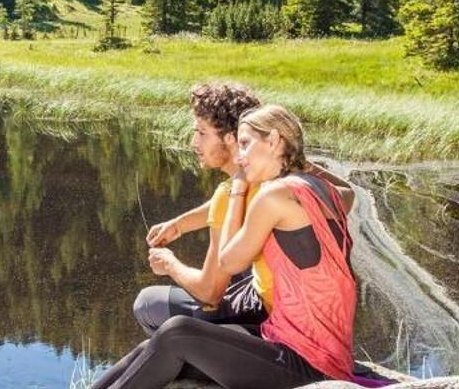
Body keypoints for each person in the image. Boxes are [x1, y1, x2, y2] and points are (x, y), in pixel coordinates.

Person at [12, 104, 360, 389]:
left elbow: (229, 259)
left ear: (274, 141)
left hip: (309, 368)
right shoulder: (325, 191)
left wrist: (237, 188)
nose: (239, 157)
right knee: (158, 347)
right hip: (297, 347)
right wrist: (295, 157)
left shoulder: (273, 195)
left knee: (179, 332)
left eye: (245, 144)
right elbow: (350, 190)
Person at [132, 82, 352, 335]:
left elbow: (210, 292)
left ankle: (203, 362)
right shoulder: (280, 180)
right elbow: (347, 195)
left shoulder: (232, 194)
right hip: (303, 313)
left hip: (274, 318)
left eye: (202, 133)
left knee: (148, 304)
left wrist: (169, 263)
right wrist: (180, 224)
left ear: (231, 139)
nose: (194, 142)